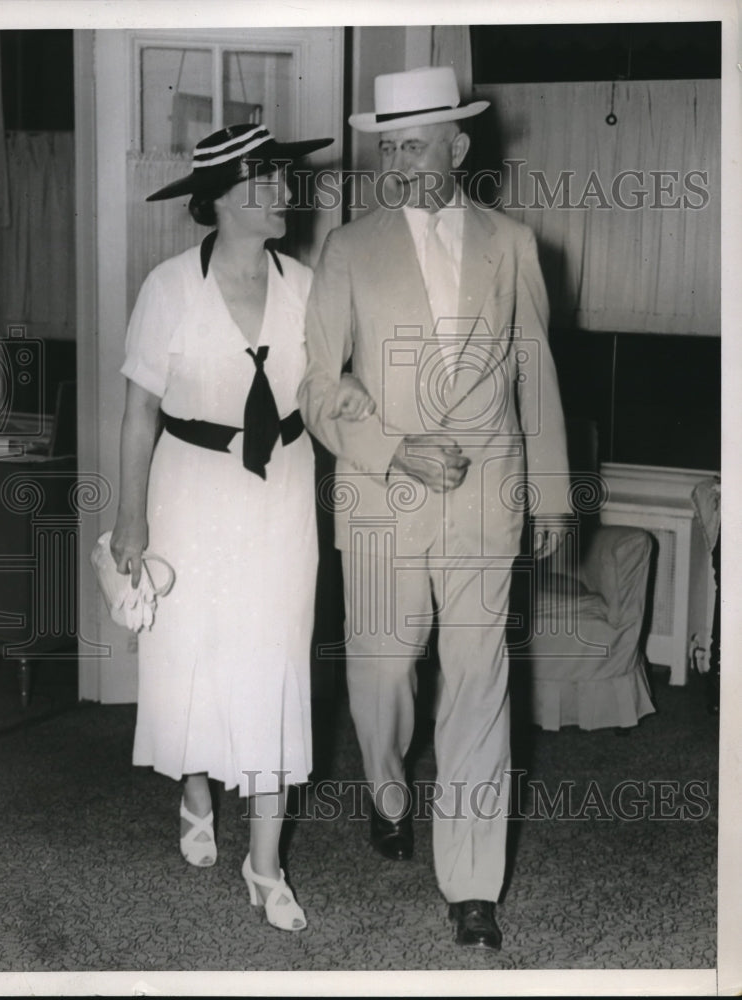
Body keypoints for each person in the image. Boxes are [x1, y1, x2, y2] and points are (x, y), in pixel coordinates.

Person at [298, 67, 571, 949]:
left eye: (411, 145)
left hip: (486, 502)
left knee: (479, 685)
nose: (395, 163)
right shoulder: (348, 248)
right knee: (381, 672)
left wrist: (553, 493)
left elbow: (535, 369)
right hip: (382, 497)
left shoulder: (512, 244)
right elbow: (317, 384)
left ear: (457, 147)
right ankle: (385, 785)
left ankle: (471, 885)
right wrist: (387, 446)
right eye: (386, 147)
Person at [110, 123, 366, 932]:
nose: (283, 192)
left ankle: (265, 864)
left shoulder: (306, 284)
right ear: (217, 201)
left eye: (284, 178)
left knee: (275, 664)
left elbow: (330, 394)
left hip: (281, 492)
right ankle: (194, 795)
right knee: (192, 655)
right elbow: (137, 412)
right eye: (264, 180)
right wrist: (128, 522)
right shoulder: (167, 289)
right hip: (189, 493)